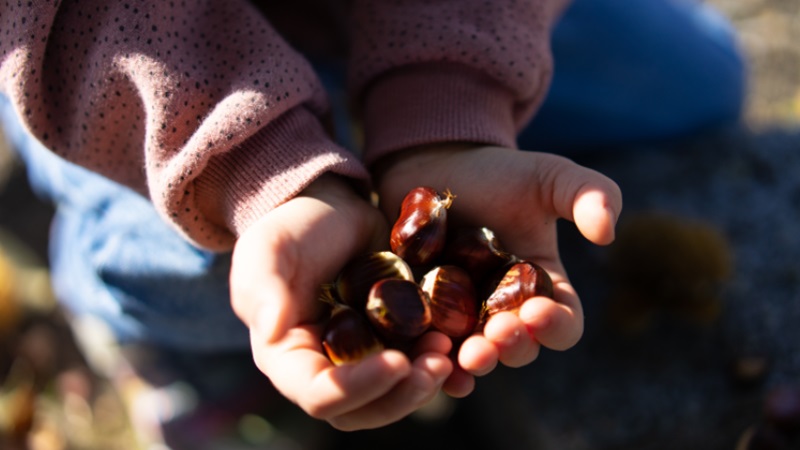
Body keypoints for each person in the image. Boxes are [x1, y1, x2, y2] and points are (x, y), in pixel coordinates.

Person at [0, 0, 744, 443]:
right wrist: (257, 169)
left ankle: (376, 114)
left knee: (703, 78)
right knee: (214, 261)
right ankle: (138, 318)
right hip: (133, 71)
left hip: (409, 15)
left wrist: (449, 100)